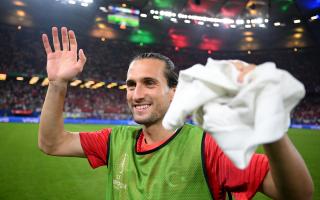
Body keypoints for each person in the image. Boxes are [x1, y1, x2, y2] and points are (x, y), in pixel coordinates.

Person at [38, 27, 314, 200]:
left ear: (174, 91)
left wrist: (269, 127)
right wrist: (58, 83)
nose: (136, 94)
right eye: (131, 84)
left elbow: (297, 194)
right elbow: (52, 143)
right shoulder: (115, 140)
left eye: (149, 83)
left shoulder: (208, 147)